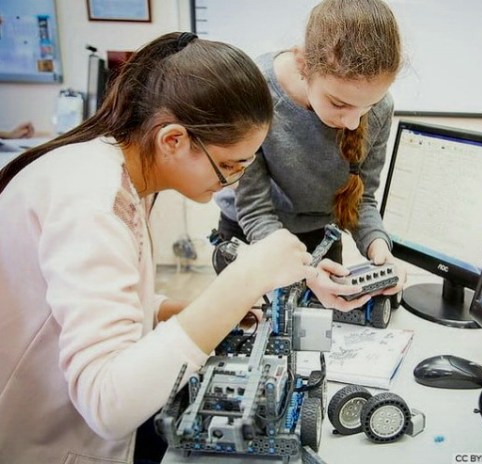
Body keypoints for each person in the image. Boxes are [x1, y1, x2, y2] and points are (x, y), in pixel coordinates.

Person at [0, 32, 322, 464]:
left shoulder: (117, 173)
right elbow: (107, 404)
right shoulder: (92, 202)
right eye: (229, 166)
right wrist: (242, 283)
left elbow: (99, 302)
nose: (235, 181)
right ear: (172, 140)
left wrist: (180, 311)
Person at [215, 0, 406, 310]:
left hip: (321, 235)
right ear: (304, 65)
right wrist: (303, 273)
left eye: (367, 106)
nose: (353, 123)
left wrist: (378, 247)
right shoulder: (254, 93)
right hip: (254, 232)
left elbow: (361, 199)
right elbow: (255, 211)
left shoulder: (381, 107)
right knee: (252, 322)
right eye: (339, 104)